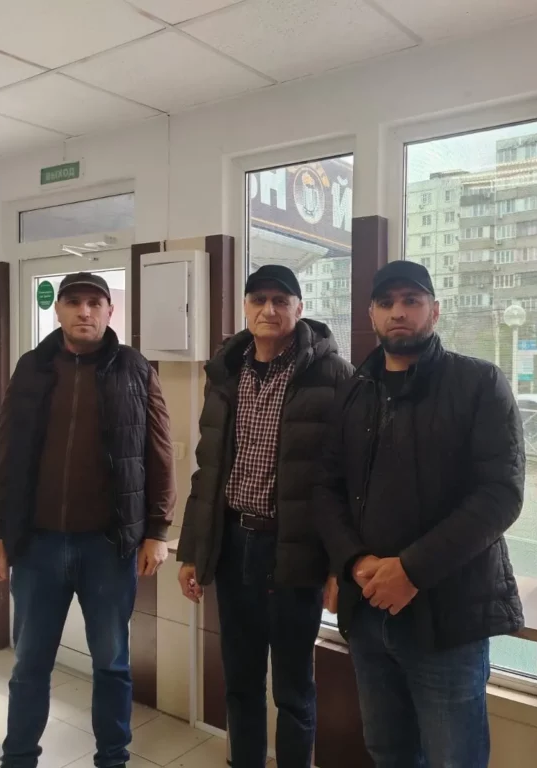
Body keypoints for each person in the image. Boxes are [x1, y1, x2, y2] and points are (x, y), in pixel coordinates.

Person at [315, 260, 526, 768]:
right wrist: (353, 561)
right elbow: (325, 488)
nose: (398, 313)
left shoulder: (478, 383)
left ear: (435, 310)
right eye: (386, 303)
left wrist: (411, 570)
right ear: (371, 314)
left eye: (411, 301)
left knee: (455, 759)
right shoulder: (354, 391)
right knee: (388, 752)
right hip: (368, 613)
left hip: (446, 619)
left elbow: (500, 494)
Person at [0, 272, 176, 768]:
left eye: (94, 302)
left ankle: (113, 759)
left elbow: (159, 453)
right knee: (29, 664)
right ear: (59, 310)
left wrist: (157, 530)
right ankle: (18, 758)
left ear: (110, 311)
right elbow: (4, 452)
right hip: (37, 545)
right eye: (73, 302)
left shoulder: (134, 368)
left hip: (108, 547)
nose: (84, 311)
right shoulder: (32, 367)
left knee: (111, 663)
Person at [176, 264, 353, 768]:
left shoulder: (333, 375)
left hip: (294, 551)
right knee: (240, 681)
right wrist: (192, 552)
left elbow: (348, 480)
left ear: (299, 308)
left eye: (281, 300)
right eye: (259, 299)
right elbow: (207, 471)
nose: (269, 310)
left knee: (293, 688)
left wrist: (339, 565)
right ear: (245, 308)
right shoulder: (225, 373)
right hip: (234, 546)